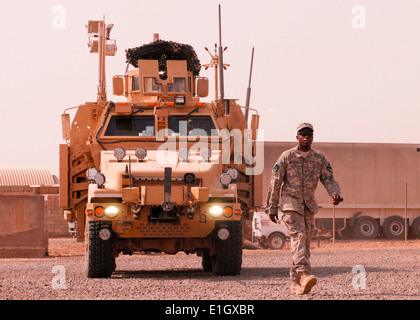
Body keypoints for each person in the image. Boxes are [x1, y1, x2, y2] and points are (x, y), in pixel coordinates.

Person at [266, 123, 342, 295]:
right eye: (303, 134)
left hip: (308, 206)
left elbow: (329, 179)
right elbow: (275, 183)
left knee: (304, 245)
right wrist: (271, 207)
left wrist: (335, 193)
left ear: (313, 137)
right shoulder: (286, 157)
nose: (306, 137)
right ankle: (304, 273)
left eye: (309, 134)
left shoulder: (319, 158)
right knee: (299, 237)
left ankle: (295, 282)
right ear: (297, 137)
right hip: (290, 206)